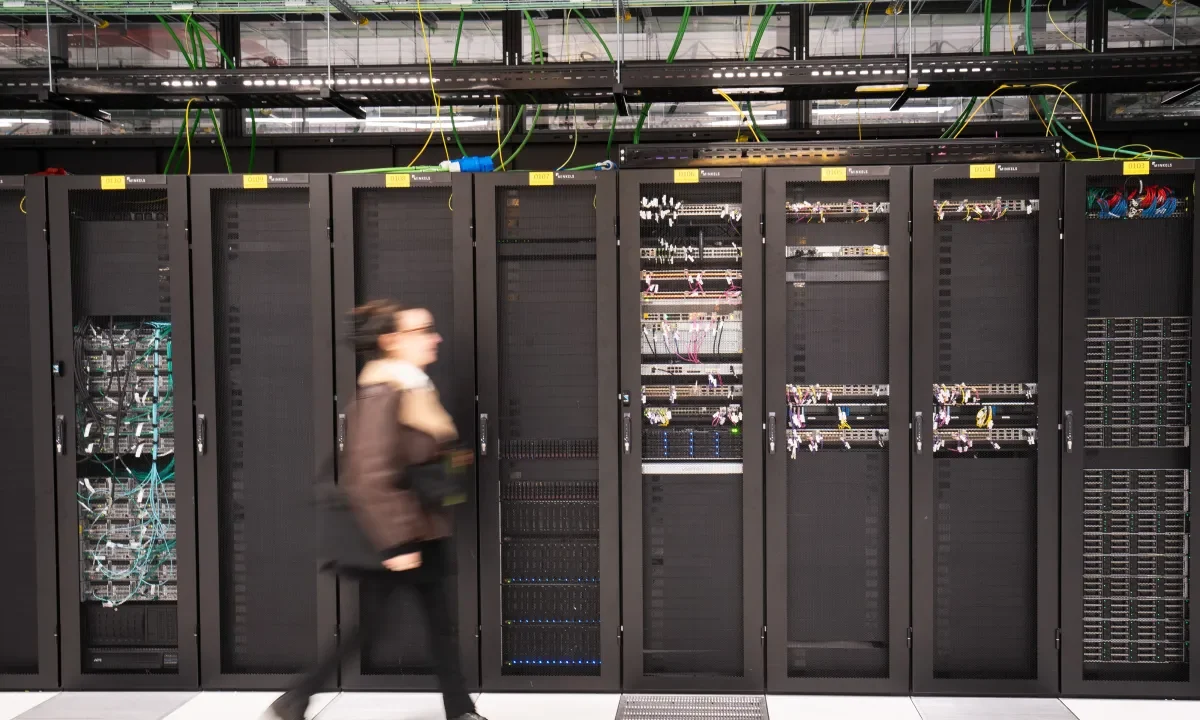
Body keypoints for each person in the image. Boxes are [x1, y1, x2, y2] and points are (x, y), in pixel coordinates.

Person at [267, 300, 485, 720]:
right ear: (392, 340)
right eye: (423, 331)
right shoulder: (384, 392)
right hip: (396, 535)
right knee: (375, 627)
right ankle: (295, 699)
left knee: (433, 624)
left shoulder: (413, 388)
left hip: (420, 528)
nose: (435, 338)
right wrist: (398, 543)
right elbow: (368, 474)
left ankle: (459, 709)